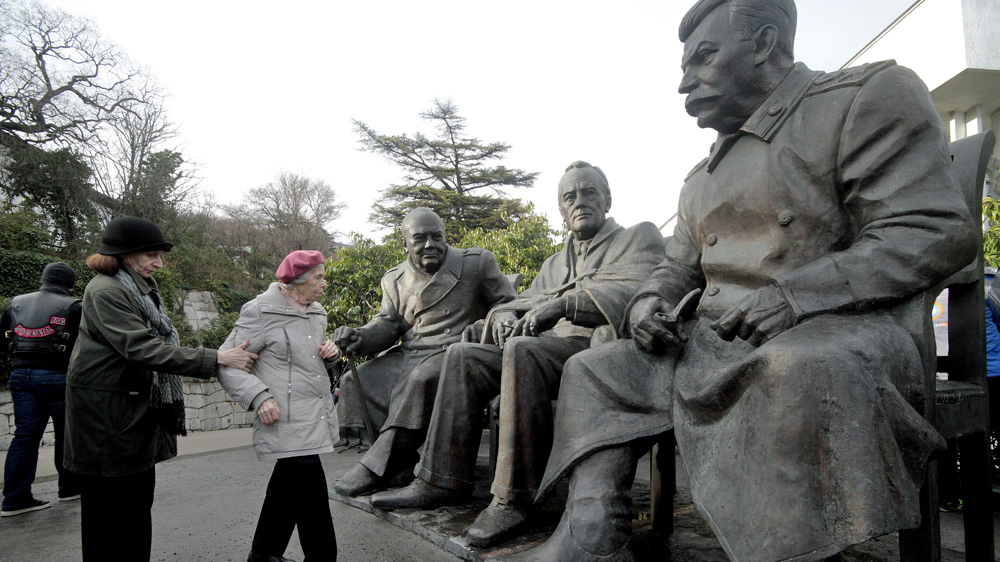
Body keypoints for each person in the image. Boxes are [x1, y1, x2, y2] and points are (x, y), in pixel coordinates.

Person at [516, 1, 978, 561]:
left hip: (840, 326)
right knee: (594, 367)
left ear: (763, 42)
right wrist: (645, 306)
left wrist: (797, 296)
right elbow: (674, 268)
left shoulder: (864, 98)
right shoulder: (699, 179)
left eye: (704, 58)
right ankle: (592, 541)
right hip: (711, 341)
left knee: (794, 370)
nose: (684, 82)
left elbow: (933, 229)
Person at [369, 162, 666, 549]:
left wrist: (563, 305)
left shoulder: (637, 237)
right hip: (548, 348)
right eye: (569, 197)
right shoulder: (555, 262)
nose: (579, 202)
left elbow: (639, 288)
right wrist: (506, 312)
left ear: (607, 199)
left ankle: (514, 498)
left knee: (523, 349)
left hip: (599, 349)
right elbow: (520, 301)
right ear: (561, 209)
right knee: (463, 355)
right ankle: (440, 480)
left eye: (589, 193)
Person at [63, 216, 258, 562]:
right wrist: (216, 357)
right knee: (109, 515)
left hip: (129, 412)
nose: (159, 263)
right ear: (125, 254)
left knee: (135, 507)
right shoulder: (107, 290)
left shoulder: (136, 285)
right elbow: (141, 348)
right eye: (151, 254)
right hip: (107, 418)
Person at [333, 207, 516, 497]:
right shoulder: (393, 279)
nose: (429, 244)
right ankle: (400, 466)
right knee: (355, 382)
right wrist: (360, 336)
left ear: (446, 237)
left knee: (420, 380)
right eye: (419, 239)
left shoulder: (475, 262)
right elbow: (388, 323)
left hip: (455, 352)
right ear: (405, 243)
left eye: (436, 237)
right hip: (411, 352)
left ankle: (376, 467)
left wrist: (483, 324)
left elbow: (508, 304)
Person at [217, 249, 341, 562]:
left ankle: (263, 554)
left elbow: (311, 366)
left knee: (287, 488)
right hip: (282, 416)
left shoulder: (317, 313)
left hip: (315, 413)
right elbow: (228, 363)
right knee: (310, 485)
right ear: (297, 281)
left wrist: (332, 355)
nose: (324, 283)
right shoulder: (259, 311)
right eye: (318, 277)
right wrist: (259, 396)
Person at [0, 263, 83, 516]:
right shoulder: (74, 306)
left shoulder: (15, 303)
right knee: (65, 434)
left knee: (24, 437)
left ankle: (15, 499)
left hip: (20, 375)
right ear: (70, 284)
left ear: (43, 279)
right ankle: (69, 488)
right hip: (58, 375)